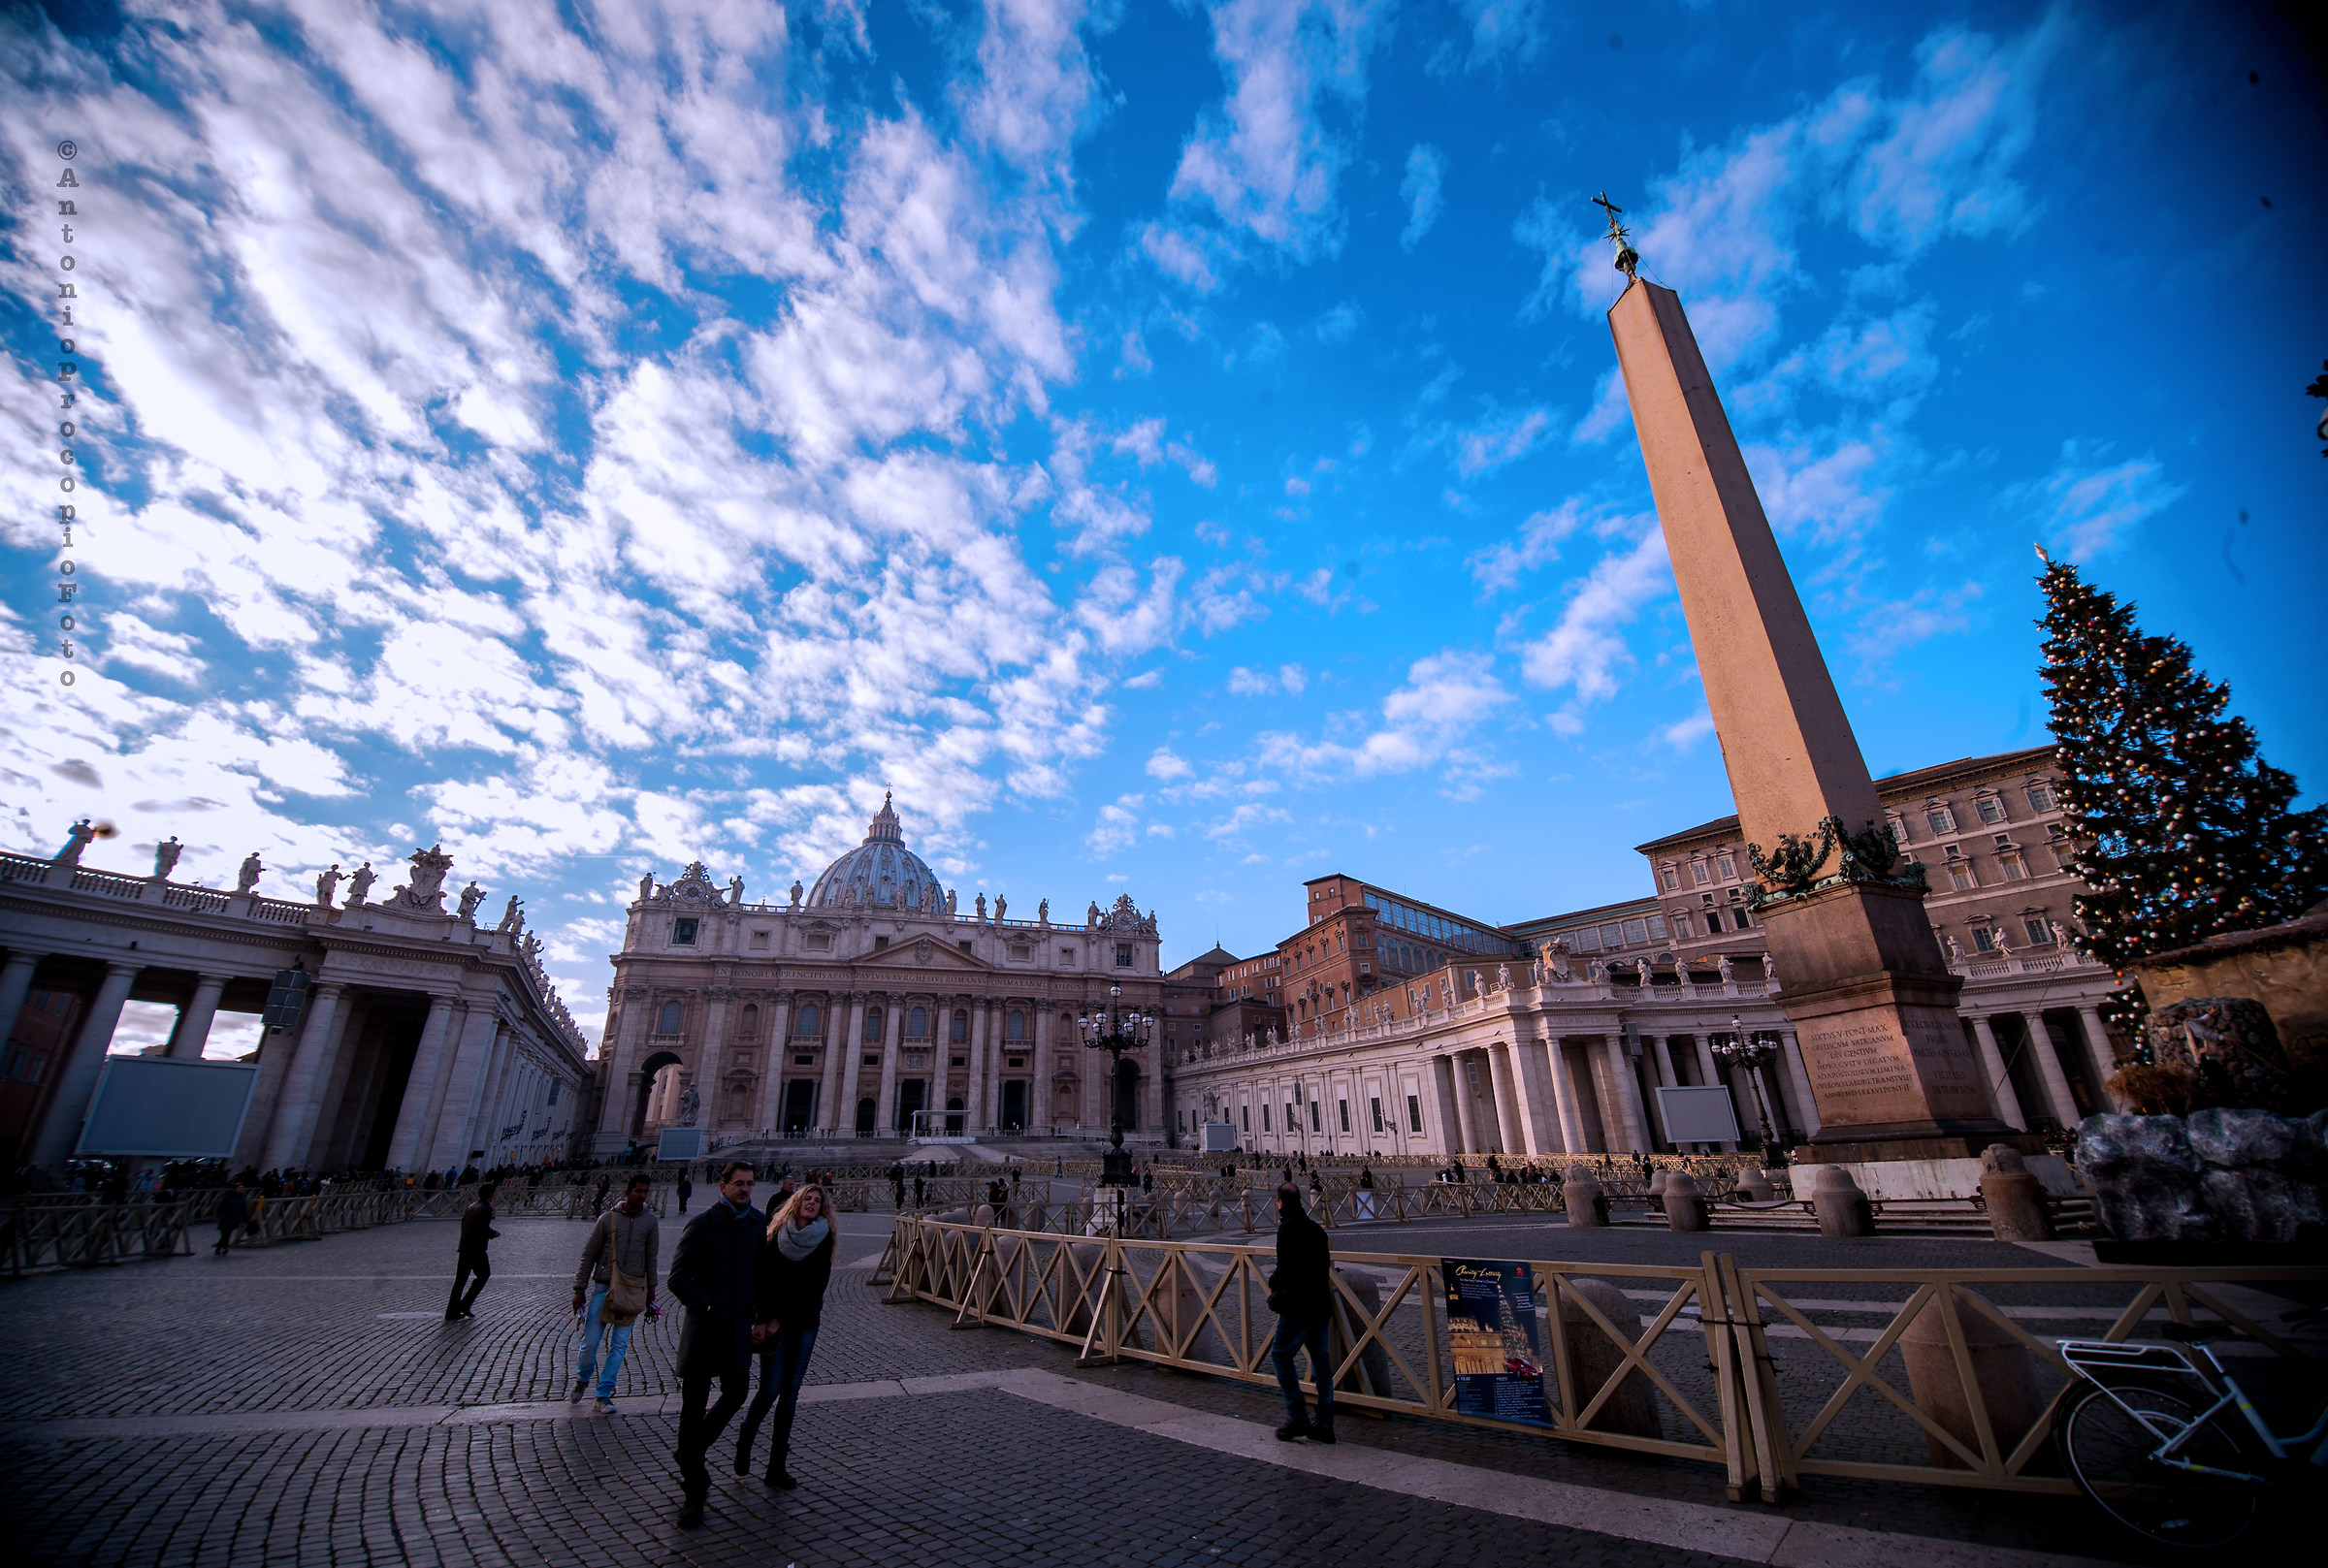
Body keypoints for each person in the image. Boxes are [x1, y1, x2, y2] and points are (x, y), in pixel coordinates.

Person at [667, 1161, 764, 1529]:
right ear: (723, 1186)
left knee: (736, 1393)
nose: (745, 1189)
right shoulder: (701, 1224)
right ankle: (694, 1490)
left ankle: (689, 1452)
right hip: (705, 1329)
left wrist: (763, 1317)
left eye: (749, 1184)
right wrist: (706, 1305)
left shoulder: (756, 1223)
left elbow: (760, 1276)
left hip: (737, 1329)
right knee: (692, 1409)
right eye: (739, 1183)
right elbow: (677, 1278)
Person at [735, 1184, 836, 1490]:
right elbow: (762, 1282)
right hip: (773, 1323)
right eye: (808, 1198)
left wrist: (779, 1319)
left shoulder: (824, 1238)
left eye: (817, 1200)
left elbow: (815, 1289)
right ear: (796, 1203)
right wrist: (763, 1319)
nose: (812, 1203)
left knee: (790, 1394)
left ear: (822, 1208)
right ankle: (746, 1437)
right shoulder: (774, 1237)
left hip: (804, 1323)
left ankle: (776, 1465)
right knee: (769, 1389)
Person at [571, 1173, 660, 1414]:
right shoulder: (606, 1219)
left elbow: (651, 1257)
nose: (642, 1196)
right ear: (627, 1192)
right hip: (604, 1287)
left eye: (645, 1191)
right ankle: (583, 1377)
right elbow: (588, 1255)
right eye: (638, 1191)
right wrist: (579, 1289)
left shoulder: (650, 1222)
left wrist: (651, 1290)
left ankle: (603, 1394)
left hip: (632, 1289)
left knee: (619, 1345)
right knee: (590, 1342)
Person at [1268, 1182, 1335, 1443]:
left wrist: (1273, 1285)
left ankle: (1298, 1416)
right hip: (1320, 1305)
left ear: (1281, 1203)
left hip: (1298, 1307)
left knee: (1280, 1355)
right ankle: (1325, 1424)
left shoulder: (1287, 1228)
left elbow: (1285, 1268)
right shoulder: (1316, 1229)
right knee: (1321, 1364)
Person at [445, 1182, 500, 1321]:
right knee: (484, 1275)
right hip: (476, 1249)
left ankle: (451, 1311)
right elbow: (483, 1227)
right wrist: (493, 1233)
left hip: (464, 1247)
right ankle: (465, 1304)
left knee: (460, 1281)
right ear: (490, 1195)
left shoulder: (472, 1206)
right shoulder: (486, 1208)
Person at [213, 1181, 248, 1255]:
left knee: (227, 1233)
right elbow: (220, 1207)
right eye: (239, 1188)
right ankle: (222, 1247)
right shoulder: (228, 1197)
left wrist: (246, 1218)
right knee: (225, 1234)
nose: (241, 1189)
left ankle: (223, 1247)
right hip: (226, 1218)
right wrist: (221, 1216)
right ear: (235, 1189)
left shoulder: (242, 1198)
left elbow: (243, 1209)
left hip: (235, 1218)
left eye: (242, 1188)